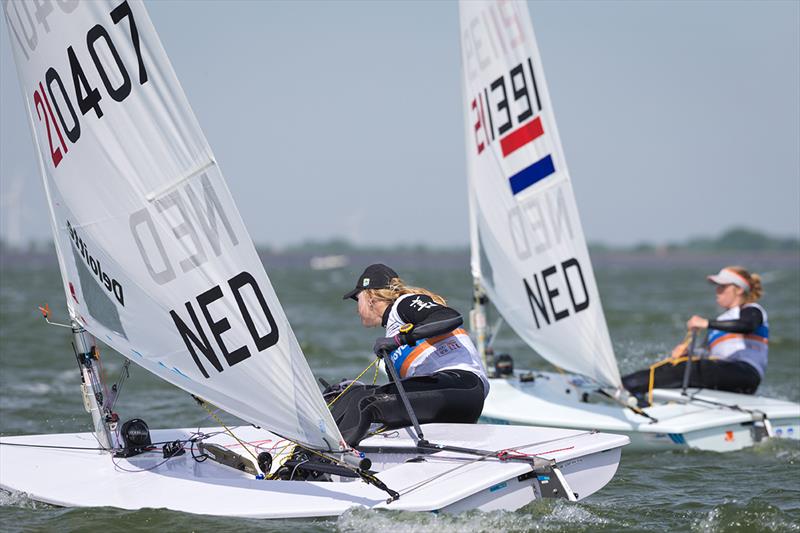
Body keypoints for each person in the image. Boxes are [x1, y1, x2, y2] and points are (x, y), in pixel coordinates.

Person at [330, 263, 489, 447]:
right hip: (445, 400)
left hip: (464, 387)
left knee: (365, 402)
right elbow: (402, 396)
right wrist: (355, 390)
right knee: (352, 396)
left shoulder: (403, 304)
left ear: (371, 297)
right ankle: (314, 449)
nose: (357, 309)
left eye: (357, 299)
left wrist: (398, 340)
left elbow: (450, 317)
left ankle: (332, 455)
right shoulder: (391, 330)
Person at [622, 266, 768, 401]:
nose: (717, 291)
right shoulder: (721, 322)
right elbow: (707, 354)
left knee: (687, 368)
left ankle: (628, 385)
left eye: (723, 287)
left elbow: (747, 325)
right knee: (678, 366)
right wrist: (688, 352)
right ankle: (633, 391)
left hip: (746, 374)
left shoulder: (752, 310)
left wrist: (706, 323)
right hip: (725, 374)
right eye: (717, 286)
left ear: (739, 290)